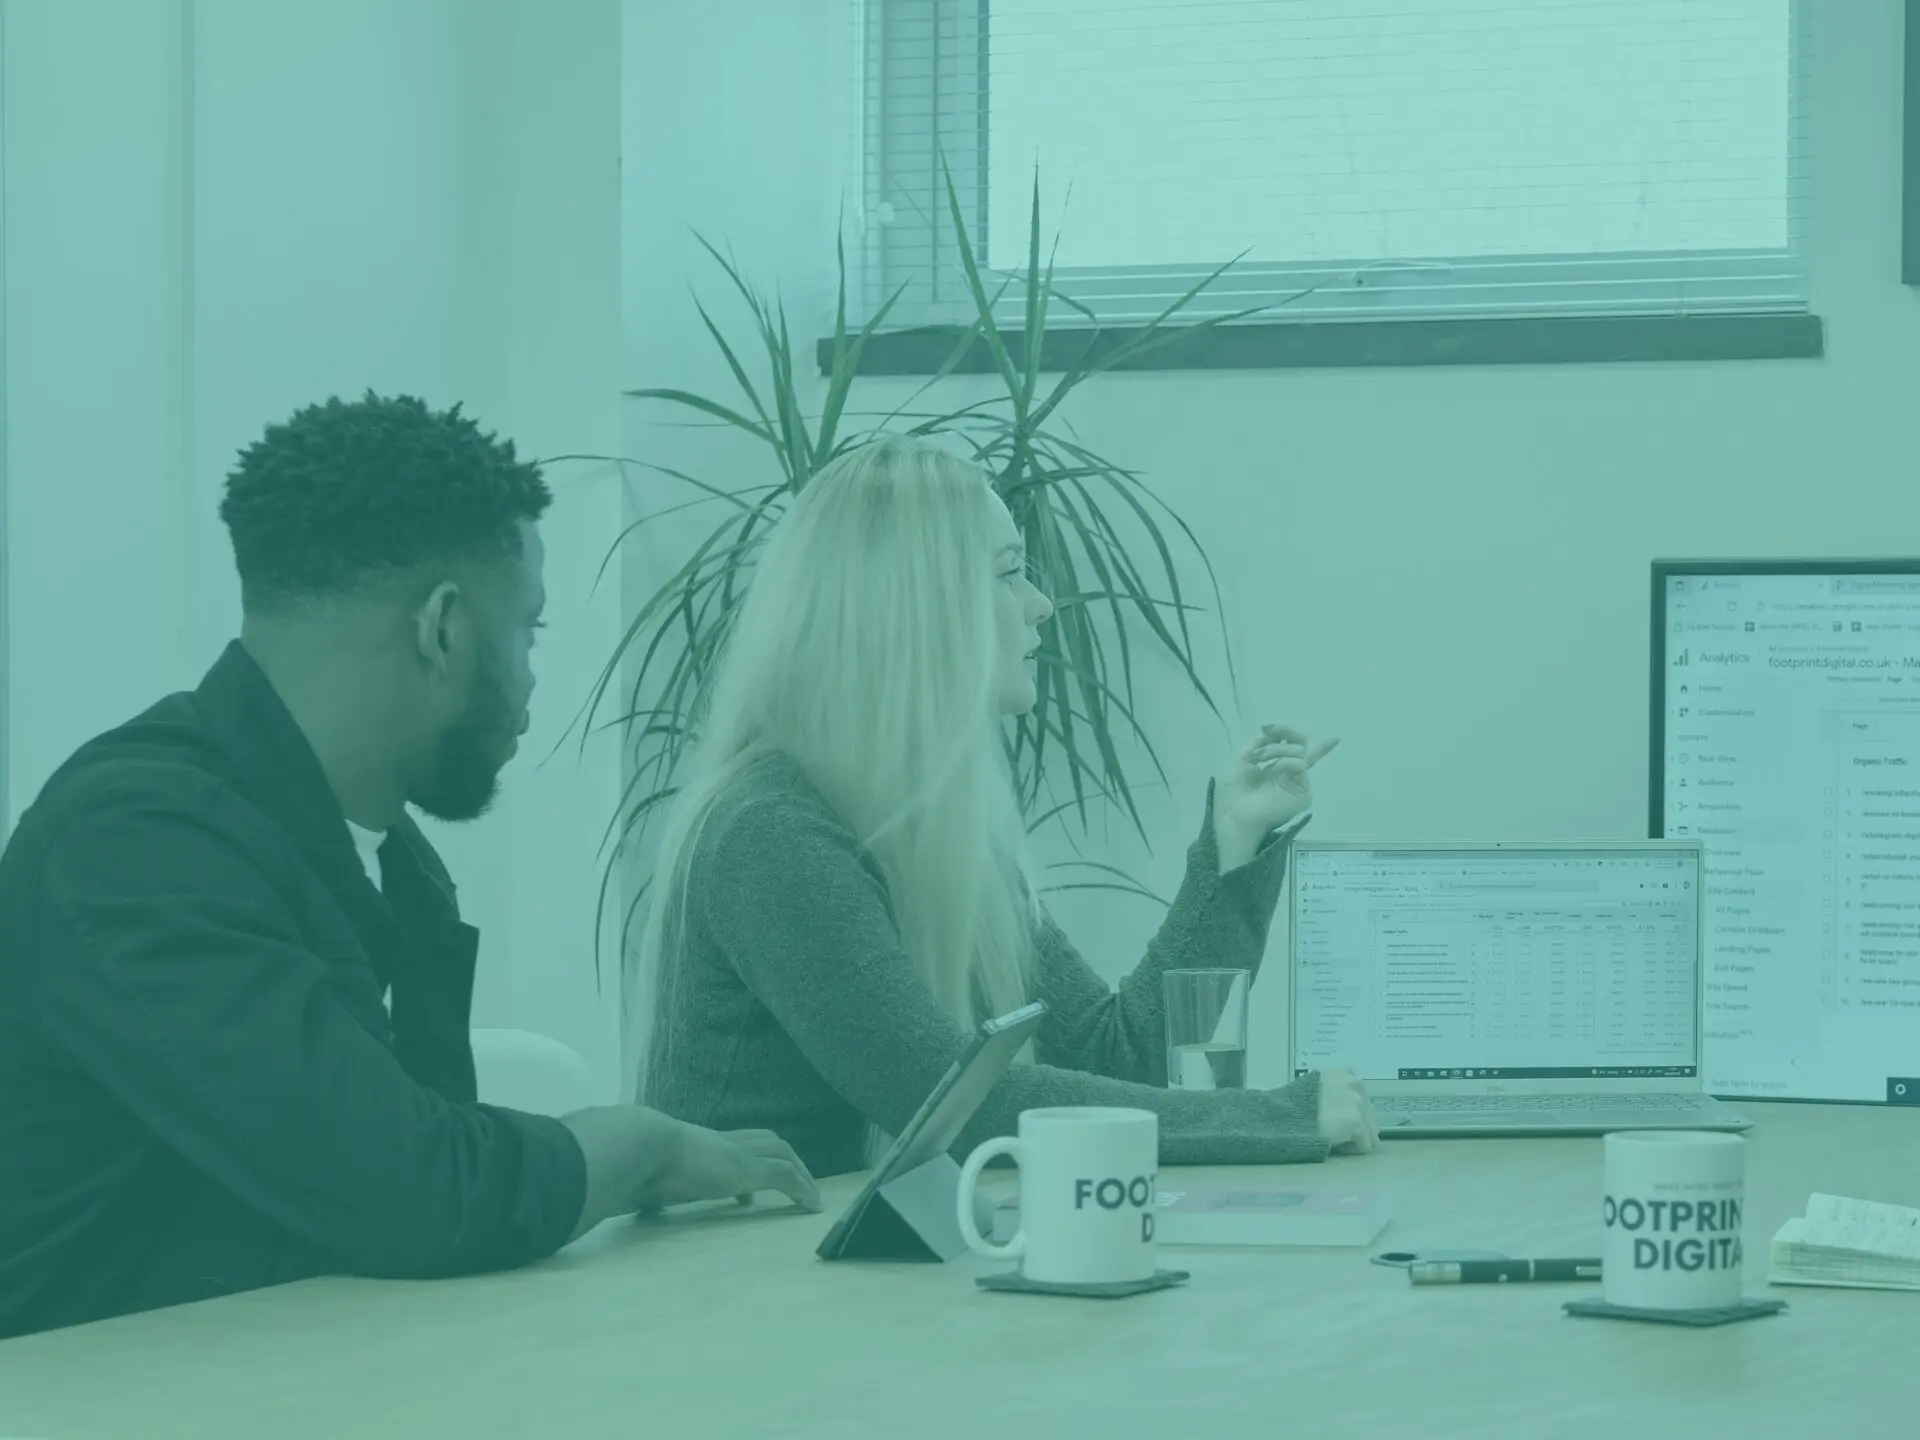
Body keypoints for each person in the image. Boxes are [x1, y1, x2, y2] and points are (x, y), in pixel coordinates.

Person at [0, 393, 818, 1340]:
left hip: (293, 1369)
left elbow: (395, 1212)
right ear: (442, 627)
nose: (532, 675)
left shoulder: (386, 853)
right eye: (530, 631)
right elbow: (408, 1191)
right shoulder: (133, 842)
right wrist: (634, 1142)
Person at [631, 437, 1378, 1179]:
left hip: (841, 1273)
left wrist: (1233, 843)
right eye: (1009, 573)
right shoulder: (773, 836)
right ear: (915, 609)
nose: (1041, 603)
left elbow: (1118, 1056)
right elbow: (958, 1108)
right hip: (736, 1283)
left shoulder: (935, 833)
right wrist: (1281, 1115)